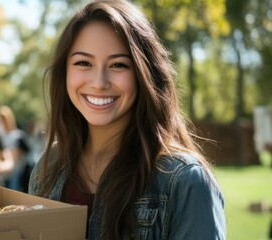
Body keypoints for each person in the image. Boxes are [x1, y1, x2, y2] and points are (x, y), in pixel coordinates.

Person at [28, 1, 226, 239]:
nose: (99, 82)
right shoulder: (48, 168)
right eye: (83, 63)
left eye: (118, 65)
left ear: (144, 74)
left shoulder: (184, 181)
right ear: (65, 72)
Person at [0, 105, 32, 192]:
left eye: (4, 119)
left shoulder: (18, 135)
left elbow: (22, 153)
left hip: (17, 172)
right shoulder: (0, 136)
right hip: (3, 174)